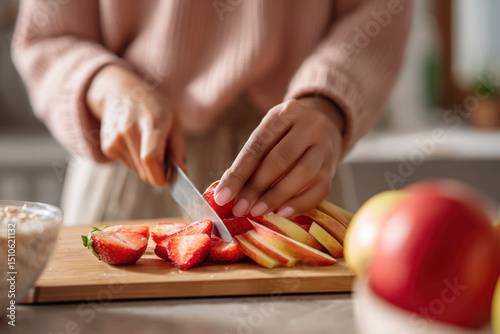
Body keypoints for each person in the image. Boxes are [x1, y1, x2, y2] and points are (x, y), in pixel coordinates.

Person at [11, 0, 411, 225]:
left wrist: (326, 104)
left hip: (297, 173)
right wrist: (108, 86)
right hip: (133, 169)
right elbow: (47, 36)